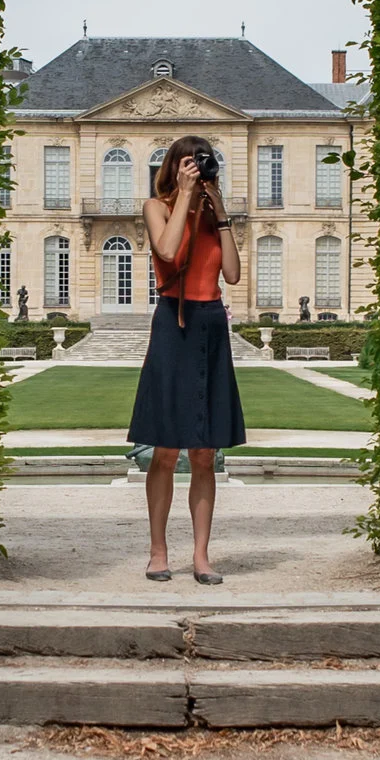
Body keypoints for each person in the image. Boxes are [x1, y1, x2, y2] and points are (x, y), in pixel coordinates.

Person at [127, 134, 244, 583]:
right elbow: (167, 250)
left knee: (204, 452)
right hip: (173, 323)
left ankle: (201, 556)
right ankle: (158, 552)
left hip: (211, 324)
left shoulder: (214, 217)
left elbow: (232, 274)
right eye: (191, 163)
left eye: (205, 162)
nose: (199, 169)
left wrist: (221, 213)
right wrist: (185, 195)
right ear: (175, 167)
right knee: (164, 449)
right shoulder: (155, 207)